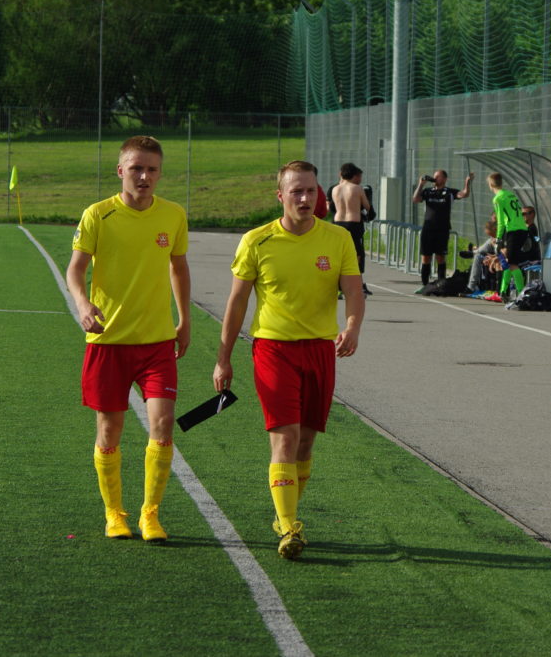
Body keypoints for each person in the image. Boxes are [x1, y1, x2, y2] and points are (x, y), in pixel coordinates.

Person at [213, 160, 365, 560]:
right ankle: (289, 527)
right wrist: (223, 358)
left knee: (307, 442)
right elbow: (237, 302)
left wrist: (352, 327)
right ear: (280, 196)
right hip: (273, 349)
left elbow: (353, 291)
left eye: (311, 191)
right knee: (285, 437)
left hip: (320, 350)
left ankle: (285, 515)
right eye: (296, 191)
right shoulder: (256, 240)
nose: (304, 198)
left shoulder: (337, 238)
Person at [65, 135, 191, 543]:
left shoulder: (173, 215)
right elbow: (75, 270)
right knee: (110, 430)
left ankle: (150, 515)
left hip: (156, 342)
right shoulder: (98, 215)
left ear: (160, 173)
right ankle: (114, 513)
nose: (144, 176)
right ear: (120, 170)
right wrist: (83, 304)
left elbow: (178, 268)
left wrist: (185, 319)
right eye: (136, 168)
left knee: (164, 423)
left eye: (152, 169)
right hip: (108, 341)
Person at [412, 169, 473, 289]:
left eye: (438, 176)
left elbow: (464, 194)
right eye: (434, 176)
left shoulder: (449, 192)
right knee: (426, 257)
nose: (435, 178)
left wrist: (467, 183)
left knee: (440, 257)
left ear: (445, 179)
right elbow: (415, 199)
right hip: (428, 229)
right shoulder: (428, 191)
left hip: (442, 230)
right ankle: (425, 284)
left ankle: (441, 284)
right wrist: (421, 184)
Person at [332, 162, 374, 296]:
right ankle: (353, 283)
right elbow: (367, 207)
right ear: (353, 174)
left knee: (340, 253)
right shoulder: (357, 188)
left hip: (338, 222)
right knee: (357, 254)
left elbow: (333, 207)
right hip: (353, 223)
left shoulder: (335, 189)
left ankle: (338, 285)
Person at [488, 173, 531, 300]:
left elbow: (501, 221)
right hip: (522, 229)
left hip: (513, 231)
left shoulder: (498, 198)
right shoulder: (510, 194)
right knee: (508, 261)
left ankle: (521, 295)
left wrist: (498, 239)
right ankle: (503, 291)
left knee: (512, 264)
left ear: (491, 184)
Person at [464, 217, 498, 296]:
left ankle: (473, 253)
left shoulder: (502, 235)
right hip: (493, 255)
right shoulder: (493, 238)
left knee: (479, 255)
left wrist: (493, 256)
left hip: (501, 258)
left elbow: (502, 252)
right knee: (479, 256)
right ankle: (471, 287)